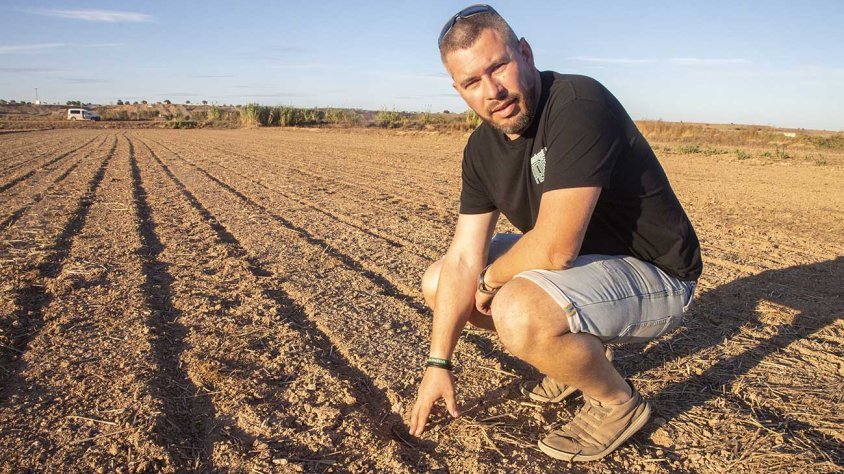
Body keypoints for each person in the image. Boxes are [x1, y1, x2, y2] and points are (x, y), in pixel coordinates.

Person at [408, 4, 703, 462]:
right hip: (587, 269)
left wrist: (490, 282)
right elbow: (464, 257)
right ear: (458, 90)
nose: (493, 91)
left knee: (518, 309)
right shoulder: (481, 150)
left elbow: (557, 246)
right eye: (472, 82)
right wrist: (438, 362)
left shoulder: (578, 103)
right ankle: (569, 358)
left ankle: (617, 403)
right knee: (439, 279)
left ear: (524, 52)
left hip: (656, 273)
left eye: (498, 66)